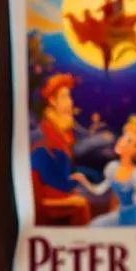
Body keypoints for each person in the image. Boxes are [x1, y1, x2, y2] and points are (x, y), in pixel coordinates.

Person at [30, 73, 90, 225]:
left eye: (69, 97)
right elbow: (57, 182)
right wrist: (75, 184)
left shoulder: (62, 133)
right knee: (82, 203)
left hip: (56, 192)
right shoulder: (46, 136)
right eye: (64, 97)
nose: (70, 102)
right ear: (52, 101)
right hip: (45, 203)